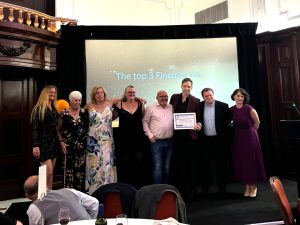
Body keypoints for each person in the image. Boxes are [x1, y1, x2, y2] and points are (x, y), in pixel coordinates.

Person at [230, 88, 266, 197]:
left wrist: (251, 132)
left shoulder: (249, 108)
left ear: (244, 98)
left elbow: (257, 122)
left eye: (242, 96)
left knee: (251, 160)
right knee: (243, 161)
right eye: (238, 96)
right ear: (234, 97)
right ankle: (247, 185)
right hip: (238, 137)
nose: (240, 98)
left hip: (250, 137)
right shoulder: (231, 109)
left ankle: (253, 186)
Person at [169, 78, 201, 198]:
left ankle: (191, 188)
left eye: (189, 86)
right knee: (178, 163)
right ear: (181, 86)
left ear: (191, 87)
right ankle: (180, 188)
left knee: (190, 163)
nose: (187, 88)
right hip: (177, 136)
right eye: (185, 86)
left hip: (189, 136)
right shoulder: (174, 97)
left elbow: (199, 118)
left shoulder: (196, 100)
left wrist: (199, 124)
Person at [24, 175, 98, 225]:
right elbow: (94, 203)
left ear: (27, 196)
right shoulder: (70, 191)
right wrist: (90, 221)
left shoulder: (34, 208)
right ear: (45, 186)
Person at [114, 85, 150, 188]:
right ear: (125, 93)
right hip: (123, 138)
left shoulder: (140, 104)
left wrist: (142, 102)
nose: (132, 94)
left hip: (138, 138)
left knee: (138, 161)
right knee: (125, 162)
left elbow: (144, 118)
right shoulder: (119, 104)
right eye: (129, 92)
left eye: (133, 92)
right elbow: (112, 118)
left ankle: (137, 186)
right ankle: (126, 186)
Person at [85, 86, 118, 194]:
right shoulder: (89, 105)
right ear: (93, 95)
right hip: (93, 139)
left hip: (107, 139)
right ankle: (94, 191)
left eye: (101, 92)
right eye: (97, 93)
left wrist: (139, 99)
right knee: (94, 164)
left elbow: (126, 97)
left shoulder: (110, 102)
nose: (100, 94)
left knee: (107, 164)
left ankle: (108, 190)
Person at [199, 88, 231, 195]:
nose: (209, 97)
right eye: (206, 96)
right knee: (205, 166)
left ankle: (222, 188)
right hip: (205, 141)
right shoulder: (199, 106)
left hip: (219, 141)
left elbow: (228, 120)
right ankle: (205, 189)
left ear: (213, 94)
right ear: (203, 97)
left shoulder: (223, 106)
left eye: (210, 95)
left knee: (220, 166)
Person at [57, 91, 89, 192]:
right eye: (75, 100)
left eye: (79, 100)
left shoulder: (85, 112)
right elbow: (57, 129)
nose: (78, 102)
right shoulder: (64, 113)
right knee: (68, 175)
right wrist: (61, 142)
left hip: (82, 148)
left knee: (80, 175)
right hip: (68, 148)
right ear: (70, 101)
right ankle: (68, 197)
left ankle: (80, 197)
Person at [30, 85, 60, 190]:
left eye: (54, 92)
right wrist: (35, 146)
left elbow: (56, 127)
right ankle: (41, 196)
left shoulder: (55, 108)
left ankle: (49, 196)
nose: (53, 94)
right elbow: (35, 128)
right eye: (50, 92)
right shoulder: (39, 109)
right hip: (43, 142)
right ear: (45, 94)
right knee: (47, 171)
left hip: (54, 142)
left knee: (51, 173)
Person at [142, 90, 173, 184]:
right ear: (157, 98)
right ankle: (158, 190)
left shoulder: (171, 107)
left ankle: (166, 189)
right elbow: (145, 122)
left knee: (167, 167)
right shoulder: (151, 108)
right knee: (158, 167)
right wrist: (150, 135)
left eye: (166, 96)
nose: (164, 98)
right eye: (161, 96)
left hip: (170, 141)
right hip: (156, 142)